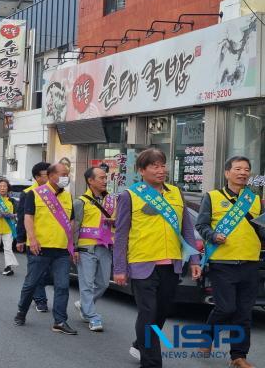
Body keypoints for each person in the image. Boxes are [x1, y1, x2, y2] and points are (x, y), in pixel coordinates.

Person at [113, 148, 201, 368]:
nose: (161, 170)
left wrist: (194, 260)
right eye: (154, 166)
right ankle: (152, 363)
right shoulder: (129, 195)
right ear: (142, 170)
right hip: (143, 263)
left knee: (160, 314)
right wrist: (119, 268)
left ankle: (140, 343)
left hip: (171, 264)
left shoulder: (175, 193)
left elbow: (187, 230)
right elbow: (121, 234)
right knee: (148, 312)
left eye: (163, 165)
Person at [195, 156, 265, 368]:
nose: (243, 172)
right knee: (225, 308)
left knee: (244, 313)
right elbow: (201, 225)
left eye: (246, 169)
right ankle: (207, 338)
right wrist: (213, 235)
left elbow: (261, 228)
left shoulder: (254, 199)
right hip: (223, 263)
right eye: (238, 168)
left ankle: (238, 356)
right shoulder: (213, 197)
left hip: (251, 262)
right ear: (227, 173)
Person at [13, 163, 77, 335]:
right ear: (51, 176)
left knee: (62, 286)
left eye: (68, 174)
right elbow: (28, 218)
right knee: (32, 283)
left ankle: (60, 321)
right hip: (40, 248)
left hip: (61, 250)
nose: (66, 177)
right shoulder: (35, 194)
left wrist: (71, 245)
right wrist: (31, 239)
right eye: (63, 174)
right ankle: (21, 311)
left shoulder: (68, 196)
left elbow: (71, 221)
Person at [72, 167, 116, 332]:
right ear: (90, 181)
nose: (105, 181)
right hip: (86, 248)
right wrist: (74, 248)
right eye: (101, 178)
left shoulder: (111, 201)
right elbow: (74, 227)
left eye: (106, 178)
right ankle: (92, 316)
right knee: (87, 284)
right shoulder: (80, 202)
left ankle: (84, 305)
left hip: (105, 247)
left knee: (104, 283)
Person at [16, 162, 51, 313]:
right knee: (37, 272)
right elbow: (22, 217)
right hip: (34, 240)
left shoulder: (58, 193)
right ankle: (40, 300)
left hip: (53, 240)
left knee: (48, 274)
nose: (51, 177)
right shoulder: (28, 192)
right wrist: (20, 239)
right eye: (47, 175)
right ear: (37, 177)